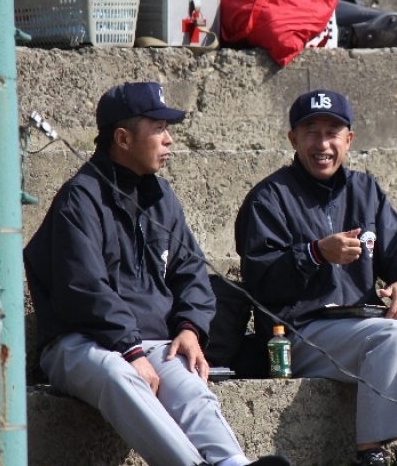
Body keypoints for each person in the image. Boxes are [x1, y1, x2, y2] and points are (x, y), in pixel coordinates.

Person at [24, 82, 291, 466]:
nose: (169, 140)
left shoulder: (161, 196)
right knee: (120, 376)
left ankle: (234, 462)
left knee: (189, 385)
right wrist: (130, 349)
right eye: (159, 129)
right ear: (122, 138)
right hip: (80, 342)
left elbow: (192, 272)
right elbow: (83, 290)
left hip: (150, 341)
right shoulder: (80, 197)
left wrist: (190, 328)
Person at [234, 89, 397, 466]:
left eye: (332, 133)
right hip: (298, 334)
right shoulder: (268, 197)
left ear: (348, 139)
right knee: (394, 334)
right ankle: (371, 454)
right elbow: (260, 280)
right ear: (293, 139)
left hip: (359, 327)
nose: (323, 144)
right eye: (311, 132)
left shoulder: (365, 190)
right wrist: (315, 253)